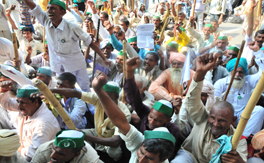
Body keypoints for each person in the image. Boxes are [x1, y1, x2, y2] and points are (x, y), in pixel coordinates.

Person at [171, 53, 247, 163]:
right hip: (190, 157)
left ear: (233, 121)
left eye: (221, 120)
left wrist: (239, 162)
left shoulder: (238, 140)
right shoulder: (203, 118)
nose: (215, 124)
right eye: (213, 118)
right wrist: (200, 74)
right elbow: (192, 101)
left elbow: (242, 160)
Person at [22, 0, 109, 92]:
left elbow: (90, 42)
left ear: (62, 12)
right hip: (58, 66)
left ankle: (88, 106)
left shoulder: (72, 27)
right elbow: (35, 8)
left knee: (85, 89)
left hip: (76, 65)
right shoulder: (46, 21)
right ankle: (69, 106)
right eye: (48, 8)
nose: (49, 11)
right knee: (64, 89)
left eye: (53, 8)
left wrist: (104, 58)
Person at [33, 81, 131, 161]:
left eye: (106, 97)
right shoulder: (98, 98)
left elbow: (115, 141)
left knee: (115, 153)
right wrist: (49, 91)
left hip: (112, 140)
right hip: (96, 132)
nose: (102, 100)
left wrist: (86, 137)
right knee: (73, 134)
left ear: (116, 97)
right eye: (101, 96)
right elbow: (75, 93)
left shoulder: (124, 114)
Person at [91, 70, 175, 163]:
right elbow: (119, 121)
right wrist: (98, 90)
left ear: (163, 160)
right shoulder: (140, 142)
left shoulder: (173, 130)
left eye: (150, 158)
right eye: (141, 152)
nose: (141, 160)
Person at [124, 57, 180, 160]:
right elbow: (133, 97)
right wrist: (129, 72)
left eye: (158, 120)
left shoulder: (173, 130)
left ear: (168, 120)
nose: (152, 122)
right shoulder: (145, 112)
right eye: (151, 117)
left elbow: (168, 154)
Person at [214, 41, 264, 137]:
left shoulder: (249, 81)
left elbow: (263, 73)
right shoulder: (221, 84)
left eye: (240, 72)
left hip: (243, 118)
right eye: (235, 72)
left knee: (259, 110)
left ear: (245, 72)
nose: (237, 75)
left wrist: (257, 52)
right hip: (224, 117)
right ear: (230, 72)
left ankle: (243, 139)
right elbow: (214, 104)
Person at [0, 84, 60, 161]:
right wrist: (4, 91)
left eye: (23, 102)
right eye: (18, 102)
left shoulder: (43, 123)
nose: (19, 106)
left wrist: (17, 148)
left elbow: (33, 154)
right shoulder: (29, 107)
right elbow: (7, 104)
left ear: (36, 102)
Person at [31, 130, 103, 163]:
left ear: (76, 154)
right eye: (53, 148)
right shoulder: (43, 150)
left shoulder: (89, 159)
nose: (52, 155)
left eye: (60, 154)